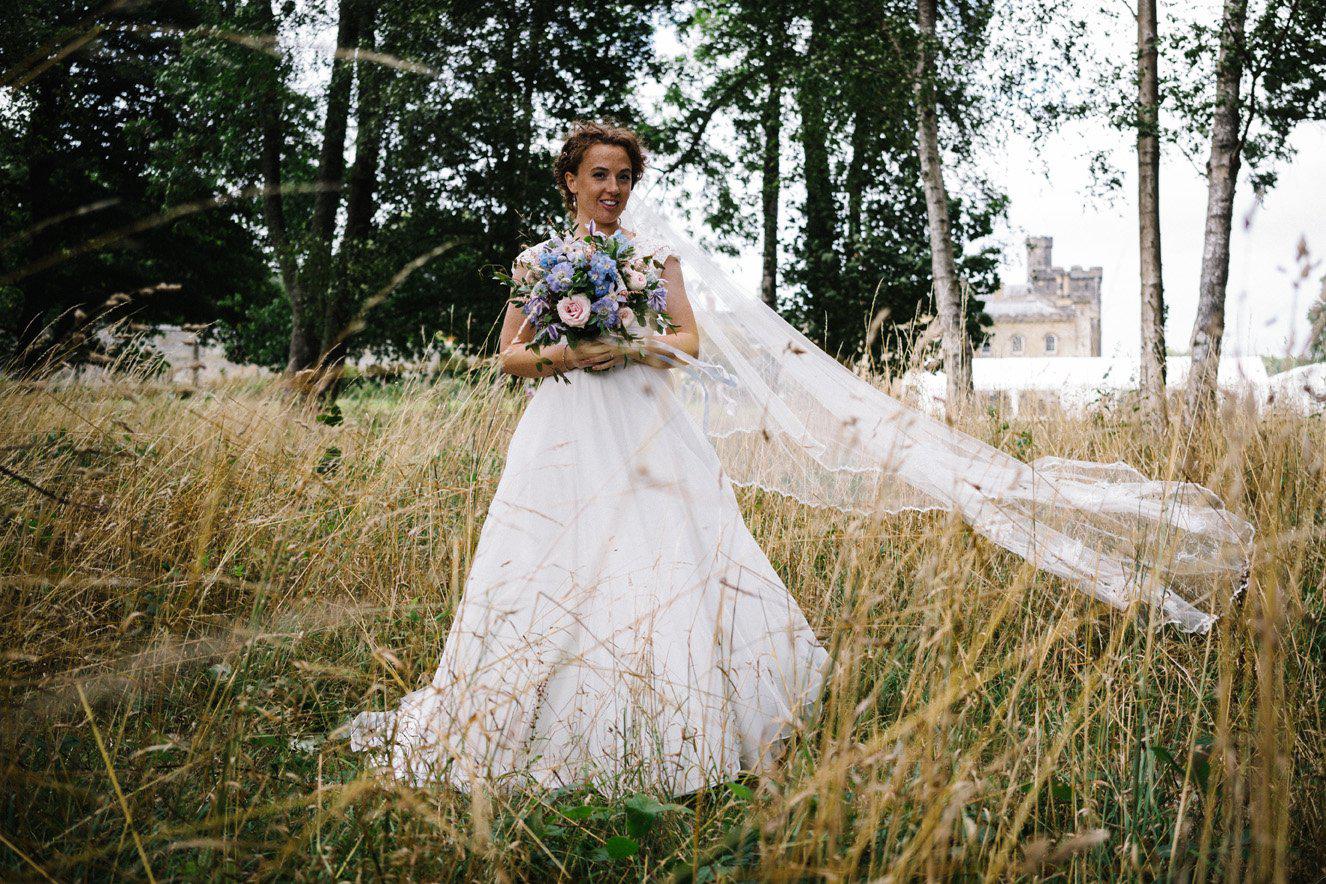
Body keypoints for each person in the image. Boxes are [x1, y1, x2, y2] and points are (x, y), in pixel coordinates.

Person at [349, 122, 829, 795]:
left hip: (646, 424)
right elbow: (511, 355)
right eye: (600, 175)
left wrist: (629, 345)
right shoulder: (538, 261)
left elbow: (688, 341)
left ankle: (682, 730)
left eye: (624, 177)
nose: (613, 188)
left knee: (661, 555)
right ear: (571, 180)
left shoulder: (654, 258)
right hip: (566, 428)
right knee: (553, 558)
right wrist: (574, 352)